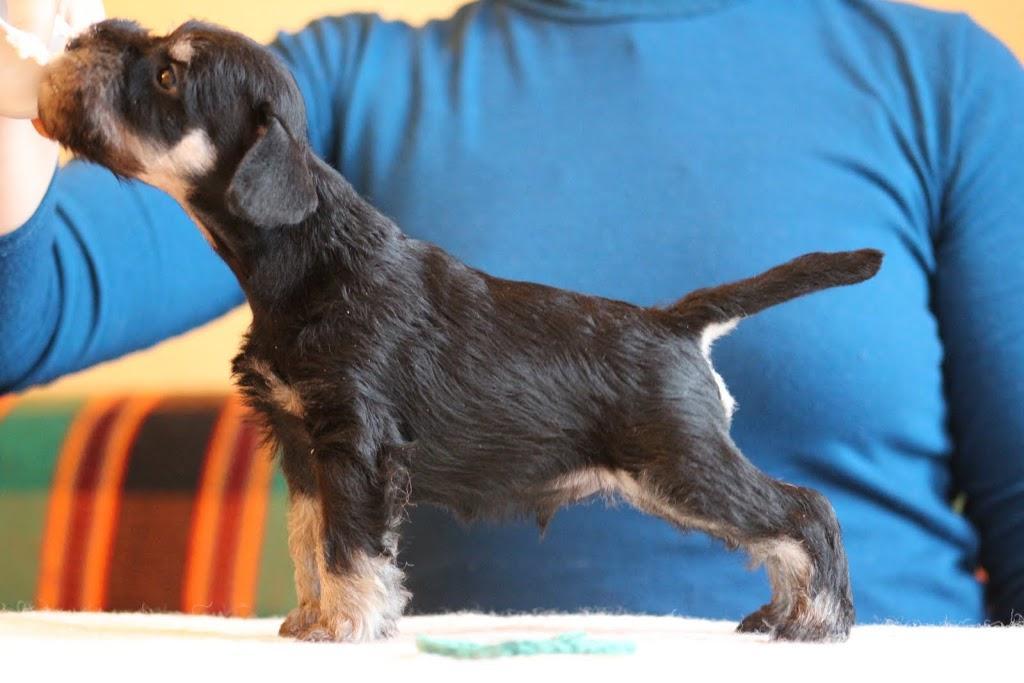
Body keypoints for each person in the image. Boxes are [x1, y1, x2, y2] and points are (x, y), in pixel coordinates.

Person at [1, 0, 1022, 625]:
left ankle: (811, 566)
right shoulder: (353, 78)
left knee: (701, 485)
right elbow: (27, 311)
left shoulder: (943, 81)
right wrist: (18, 101)